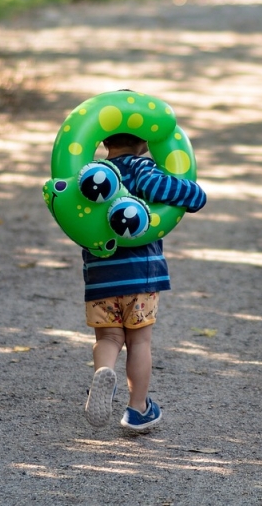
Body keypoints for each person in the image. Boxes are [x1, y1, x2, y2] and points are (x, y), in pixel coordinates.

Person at [82, 131, 206, 430]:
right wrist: (196, 191)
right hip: (140, 274)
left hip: (100, 274)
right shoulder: (142, 168)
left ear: (103, 140)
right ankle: (137, 409)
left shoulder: (90, 175)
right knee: (139, 342)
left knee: (109, 338)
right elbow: (192, 198)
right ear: (145, 142)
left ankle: (104, 373)